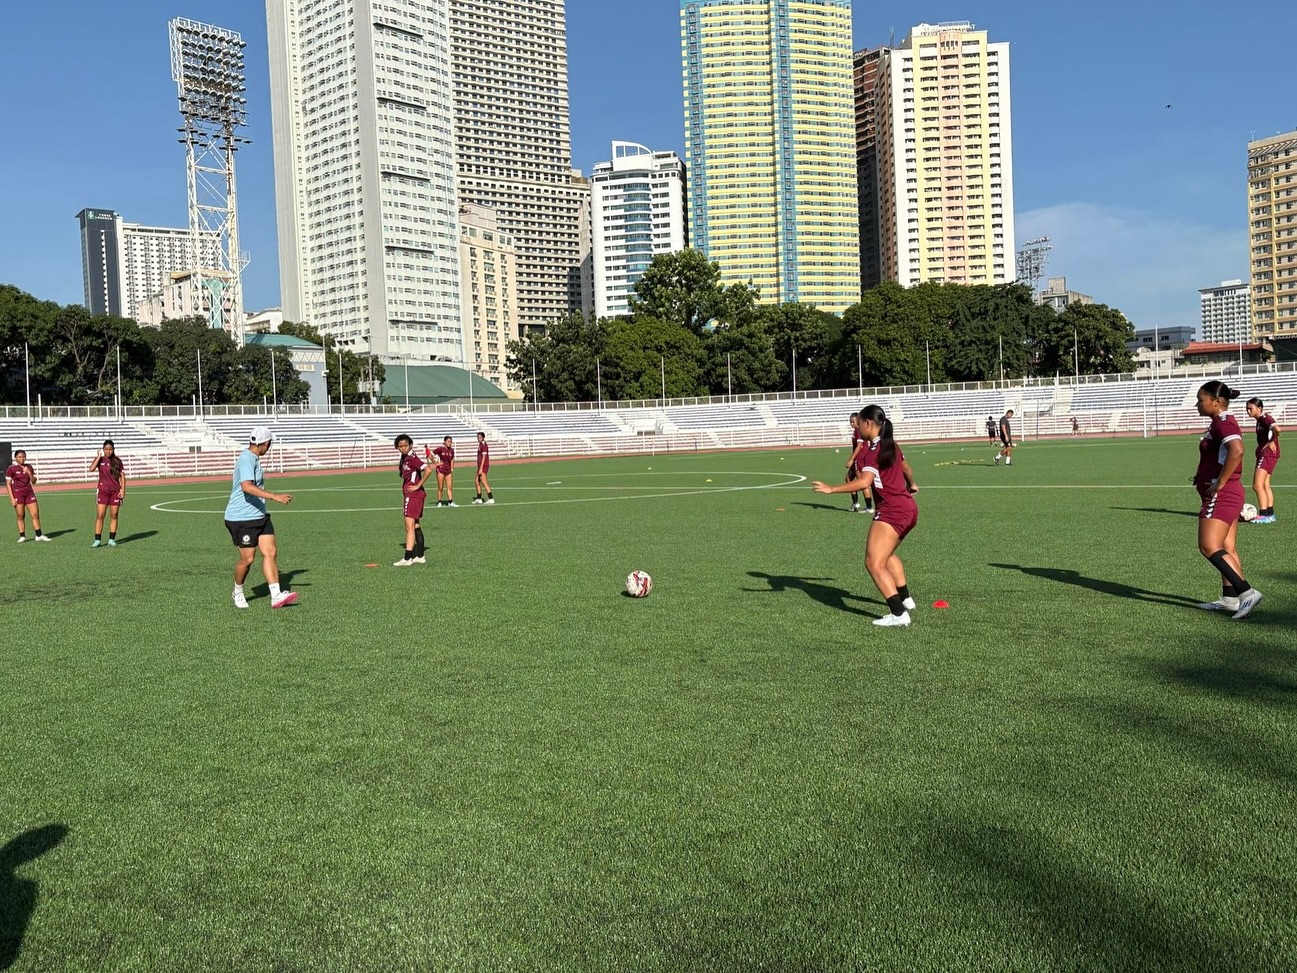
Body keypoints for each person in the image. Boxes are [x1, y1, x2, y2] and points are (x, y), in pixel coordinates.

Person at [811, 404, 919, 627]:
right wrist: (912, 484)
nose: (857, 428)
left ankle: (898, 614)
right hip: (909, 509)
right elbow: (906, 467)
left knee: (873, 562)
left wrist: (831, 489)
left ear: (868, 423)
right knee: (886, 555)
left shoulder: (873, 450)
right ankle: (906, 600)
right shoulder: (891, 444)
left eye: (859, 423)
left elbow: (864, 482)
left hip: (892, 511)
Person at [1192, 381, 1262, 620]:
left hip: (1223, 494)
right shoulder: (1219, 422)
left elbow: (1237, 449)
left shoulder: (1224, 422)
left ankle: (1246, 592)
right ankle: (1230, 599)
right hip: (1228, 492)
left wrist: (1219, 483)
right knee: (1227, 547)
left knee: (1208, 546)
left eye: (1201, 400)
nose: (1197, 404)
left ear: (1216, 401)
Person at [224, 426, 298, 609]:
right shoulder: (246, 459)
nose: (269, 448)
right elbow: (246, 486)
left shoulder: (254, 458)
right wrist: (274, 496)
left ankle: (276, 595)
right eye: (269, 444)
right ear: (265, 444)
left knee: (270, 552)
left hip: (259, 515)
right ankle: (238, 591)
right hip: (242, 518)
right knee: (248, 559)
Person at [394, 434, 432, 567]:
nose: (403, 448)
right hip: (414, 495)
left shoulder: (412, 458)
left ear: (410, 445)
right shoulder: (405, 458)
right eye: (400, 446)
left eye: (405, 445)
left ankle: (407, 557)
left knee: (408, 526)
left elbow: (428, 469)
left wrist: (418, 485)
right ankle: (420, 556)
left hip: (413, 495)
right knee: (415, 525)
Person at [1245, 397, 1280, 523]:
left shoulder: (1265, 418)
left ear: (1259, 408)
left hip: (1267, 455)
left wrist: (1271, 442)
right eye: (1247, 409)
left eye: (1251, 409)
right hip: (1267, 454)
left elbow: (1277, 429)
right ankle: (1270, 514)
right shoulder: (1259, 420)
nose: (1248, 411)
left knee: (1256, 485)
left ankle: (1263, 515)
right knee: (1265, 485)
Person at [5, 450, 49, 542]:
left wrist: (29, 473)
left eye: (23, 457)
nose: (22, 458)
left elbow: (33, 481)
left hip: (29, 493)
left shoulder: (29, 467)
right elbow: (8, 484)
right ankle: (22, 536)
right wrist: (12, 498)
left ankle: (38, 535)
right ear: (15, 458)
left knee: (35, 514)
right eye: (19, 457)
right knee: (20, 515)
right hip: (18, 494)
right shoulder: (11, 469)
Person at [89, 439, 126, 547]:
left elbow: (122, 476)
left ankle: (111, 539)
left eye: (110, 449)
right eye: (106, 449)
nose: (108, 451)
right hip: (102, 492)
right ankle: (97, 540)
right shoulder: (100, 460)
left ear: (113, 450)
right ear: (103, 450)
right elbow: (91, 469)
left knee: (114, 515)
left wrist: (123, 490)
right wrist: (97, 457)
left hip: (115, 491)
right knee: (100, 515)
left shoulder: (117, 461)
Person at [844, 412, 872, 513]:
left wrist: (851, 459)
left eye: (853, 422)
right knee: (848, 479)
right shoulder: (856, 431)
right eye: (850, 422)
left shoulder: (859, 430)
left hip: (860, 459)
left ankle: (869, 507)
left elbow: (859, 445)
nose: (852, 424)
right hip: (858, 459)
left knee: (862, 482)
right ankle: (855, 504)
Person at [430, 436, 457, 507]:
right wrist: (435, 463)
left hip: (448, 471)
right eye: (448, 441)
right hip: (440, 470)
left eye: (450, 442)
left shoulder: (451, 450)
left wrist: (452, 467)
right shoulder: (440, 449)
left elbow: (452, 459)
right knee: (440, 487)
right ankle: (439, 501)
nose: (449, 443)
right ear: (444, 442)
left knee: (449, 487)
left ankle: (450, 502)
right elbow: (430, 455)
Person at [473, 431, 495, 504]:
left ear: (483, 437)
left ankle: (491, 498)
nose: (478, 439)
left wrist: (481, 468)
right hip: (480, 466)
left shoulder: (484, 445)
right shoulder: (480, 445)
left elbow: (484, 457)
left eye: (480, 437)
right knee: (476, 481)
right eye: (478, 437)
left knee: (483, 481)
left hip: (483, 466)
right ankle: (479, 498)